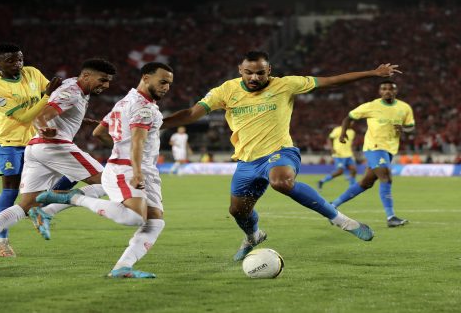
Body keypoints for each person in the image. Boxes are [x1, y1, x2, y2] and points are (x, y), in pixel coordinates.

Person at [161, 50, 401, 261]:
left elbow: (331, 81)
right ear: (240, 71)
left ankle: (342, 220)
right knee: (238, 211)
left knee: (281, 182)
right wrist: (160, 123)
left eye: (260, 73)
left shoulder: (285, 84)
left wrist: (372, 73)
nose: (254, 77)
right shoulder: (226, 90)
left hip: (280, 152)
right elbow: (193, 113)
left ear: (269, 70)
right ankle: (253, 236)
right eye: (248, 73)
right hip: (247, 162)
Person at [0, 58, 117, 263]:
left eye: (108, 81)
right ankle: (48, 212)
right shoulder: (73, 92)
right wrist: (44, 126)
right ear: (86, 76)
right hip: (54, 145)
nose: (106, 85)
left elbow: (54, 106)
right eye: (102, 80)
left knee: (25, 205)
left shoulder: (72, 85)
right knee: (109, 182)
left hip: (36, 148)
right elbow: (42, 115)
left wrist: (75, 119)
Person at [35, 62, 173, 278]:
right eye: (162, 82)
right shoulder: (143, 107)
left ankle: (122, 268)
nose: (166, 87)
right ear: (146, 78)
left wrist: (121, 147)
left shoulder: (125, 102)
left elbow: (99, 132)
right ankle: (74, 198)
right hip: (127, 169)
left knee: (155, 221)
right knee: (135, 218)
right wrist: (134, 168)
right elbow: (137, 141)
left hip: (143, 168)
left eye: (169, 84)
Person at [0, 43, 52, 257]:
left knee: (46, 183)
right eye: (11, 60)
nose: (18, 64)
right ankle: (2, 241)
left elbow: (54, 95)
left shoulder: (32, 73)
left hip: (35, 141)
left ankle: (36, 212)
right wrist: (47, 96)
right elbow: (23, 116)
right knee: (11, 190)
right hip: (10, 143)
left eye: (20, 58)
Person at [331, 80, 414, 227]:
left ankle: (333, 205)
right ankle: (391, 218)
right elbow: (349, 117)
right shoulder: (371, 106)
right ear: (379, 92)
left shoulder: (404, 107)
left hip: (390, 149)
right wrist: (343, 133)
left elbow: (410, 127)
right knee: (386, 177)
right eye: (384, 88)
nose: (387, 91)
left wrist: (404, 130)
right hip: (374, 147)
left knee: (366, 182)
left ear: (396, 91)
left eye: (391, 88)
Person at [317, 125, 357, 190]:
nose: (352, 123)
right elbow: (329, 138)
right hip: (339, 155)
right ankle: (322, 181)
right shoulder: (338, 129)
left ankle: (351, 187)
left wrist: (353, 152)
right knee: (340, 171)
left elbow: (350, 143)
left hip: (349, 154)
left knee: (354, 169)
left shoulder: (352, 132)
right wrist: (331, 148)